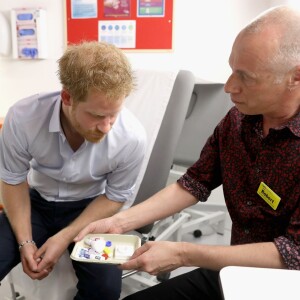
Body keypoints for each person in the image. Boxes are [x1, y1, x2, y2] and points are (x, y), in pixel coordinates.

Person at [75, 5, 300, 300]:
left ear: (295, 77)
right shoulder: (238, 121)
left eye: (246, 77)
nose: (230, 87)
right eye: (232, 70)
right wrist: (120, 222)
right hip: (234, 269)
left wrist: (182, 254)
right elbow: (195, 181)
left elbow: (293, 254)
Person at [0, 41, 147, 300]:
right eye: (97, 115)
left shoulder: (131, 137)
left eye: (114, 115)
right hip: (36, 204)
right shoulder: (23, 118)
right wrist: (25, 241)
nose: (106, 127)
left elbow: (115, 196)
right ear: (67, 97)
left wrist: (65, 237)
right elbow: (13, 180)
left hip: (92, 211)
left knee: (105, 290)